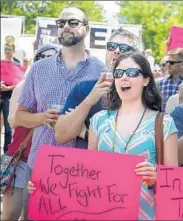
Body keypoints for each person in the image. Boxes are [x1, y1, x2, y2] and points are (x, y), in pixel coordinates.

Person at [14, 6, 106, 219]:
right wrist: (41, 117)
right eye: (61, 23)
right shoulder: (39, 69)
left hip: (82, 170)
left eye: (73, 23)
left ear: (87, 28)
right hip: (40, 164)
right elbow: (19, 116)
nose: (65, 27)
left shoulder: (102, 71)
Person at [89, 52, 178, 220]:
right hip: (102, 214)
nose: (124, 78)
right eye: (118, 73)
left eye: (131, 73)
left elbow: (174, 181)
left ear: (146, 80)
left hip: (146, 215)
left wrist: (157, 177)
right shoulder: (98, 121)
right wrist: (44, 186)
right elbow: (85, 176)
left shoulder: (164, 123)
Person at [1, 44, 59, 221]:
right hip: (22, 158)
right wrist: (41, 116)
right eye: (42, 58)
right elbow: (13, 120)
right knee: (11, 214)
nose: (46, 62)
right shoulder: (24, 85)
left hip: (49, 163)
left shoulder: (62, 89)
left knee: (35, 215)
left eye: (52, 58)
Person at [55, 27, 139, 148]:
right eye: (111, 46)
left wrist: (86, 133)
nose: (116, 51)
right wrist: (89, 101)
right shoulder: (84, 88)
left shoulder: (142, 91)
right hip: (86, 166)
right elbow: (61, 135)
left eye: (124, 48)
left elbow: (137, 142)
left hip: (123, 165)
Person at [0, 41, 21, 153]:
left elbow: (19, 83)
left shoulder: (17, 65)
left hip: (9, 97)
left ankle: (6, 155)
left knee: (8, 129)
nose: (7, 51)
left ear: (13, 51)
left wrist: (8, 88)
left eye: (9, 49)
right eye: (5, 49)